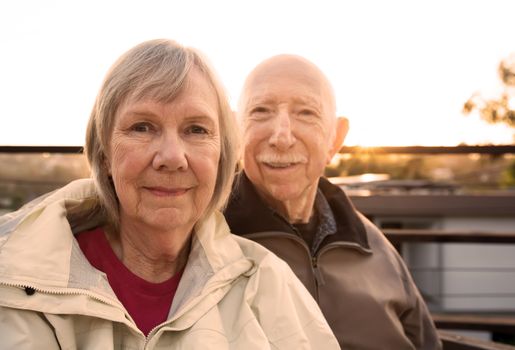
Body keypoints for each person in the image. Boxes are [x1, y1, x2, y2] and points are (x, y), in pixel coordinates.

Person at [0, 40, 339, 349]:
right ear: (104, 153)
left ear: (221, 156)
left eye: (196, 129)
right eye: (142, 127)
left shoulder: (266, 283)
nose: (173, 157)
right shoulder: (13, 280)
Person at [224, 54, 442, 349]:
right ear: (236, 132)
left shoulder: (373, 245)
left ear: (335, 140)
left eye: (306, 113)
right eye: (261, 111)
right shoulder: (206, 241)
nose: (282, 137)